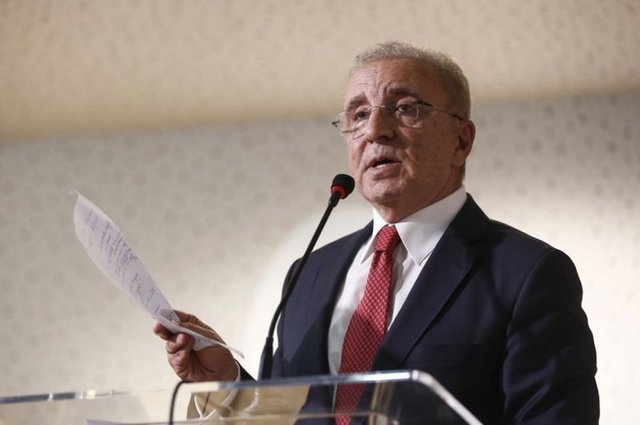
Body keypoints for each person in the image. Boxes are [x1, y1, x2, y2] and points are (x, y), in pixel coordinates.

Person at [154, 41, 599, 424]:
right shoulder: (309, 273)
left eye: (405, 108)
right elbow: (285, 415)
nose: (375, 130)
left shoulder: (527, 273)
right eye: (359, 114)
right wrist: (226, 382)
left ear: (461, 140)